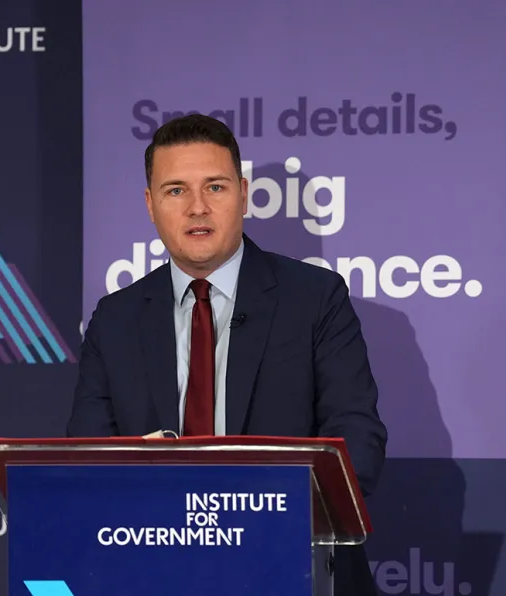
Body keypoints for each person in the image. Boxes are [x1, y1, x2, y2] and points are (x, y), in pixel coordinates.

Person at [67, 113, 388, 595]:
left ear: (243, 194)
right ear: (151, 205)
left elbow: (356, 443)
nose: (197, 207)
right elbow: (86, 462)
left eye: (214, 187)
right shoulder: (115, 319)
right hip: (154, 571)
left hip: (291, 565)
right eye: (176, 190)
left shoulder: (315, 298)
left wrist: (252, 522)